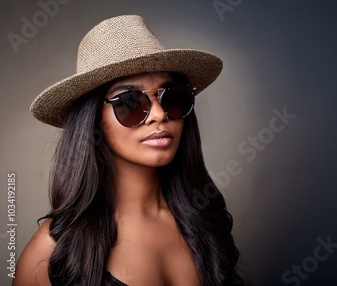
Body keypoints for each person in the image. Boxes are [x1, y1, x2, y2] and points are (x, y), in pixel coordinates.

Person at [13, 15, 243, 286]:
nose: (159, 114)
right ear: (94, 120)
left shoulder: (205, 218)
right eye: (130, 101)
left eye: (173, 97)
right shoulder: (54, 252)